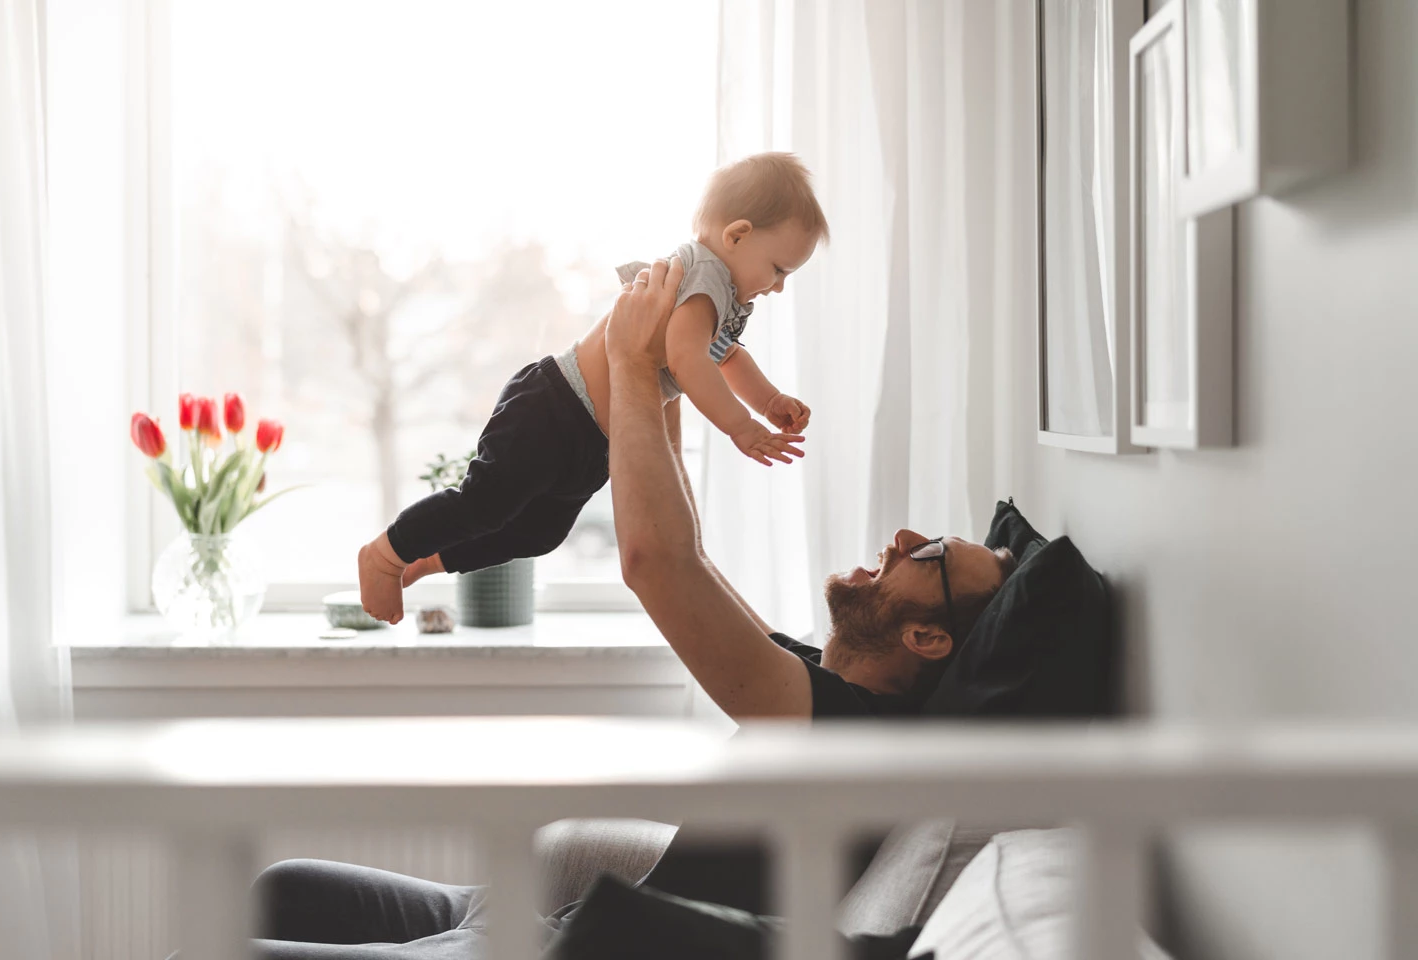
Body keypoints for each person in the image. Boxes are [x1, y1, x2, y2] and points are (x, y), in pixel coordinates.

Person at [248, 259, 1018, 958]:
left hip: (564, 953)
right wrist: (659, 383)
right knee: (281, 887)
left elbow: (655, 565)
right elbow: (693, 561)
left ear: (926, 637)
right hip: (556, 920)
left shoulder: (854, 737)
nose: (904, 537)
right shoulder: (814, 680)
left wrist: (624, 357)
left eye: (931, 555)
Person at [356, 152, 830, 625]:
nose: (778, 287)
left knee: (539, 533)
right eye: (779, 269)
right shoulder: (703, 274)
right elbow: (688, 361)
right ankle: (385, 555)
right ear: (738, 234)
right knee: (485, 502)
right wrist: (743, 427)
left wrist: (769, 400)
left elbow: (726, 356)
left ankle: (426, 559)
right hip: (554, 407)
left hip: (593, 439)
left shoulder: (723, 299)